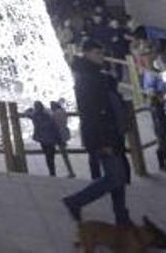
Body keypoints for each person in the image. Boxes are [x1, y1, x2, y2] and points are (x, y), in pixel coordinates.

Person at [62, 40, 131, 226]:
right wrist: (103, 142)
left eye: (102, 53)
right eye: (98, 53)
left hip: (111, 134)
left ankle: (122, 218)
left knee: (119, 178)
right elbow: (91, 113)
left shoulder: (96, 76)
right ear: (87, 54)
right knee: (114, 177)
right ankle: (76, 201)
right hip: (104, 137)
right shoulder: (87, 79)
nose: (102, 56)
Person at [26, 101, 62, 177]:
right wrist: (58, 139)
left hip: (43, 139)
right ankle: (52, 172)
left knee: (47, 156)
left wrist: (30, 110)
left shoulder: (35, 115)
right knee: (51, 156)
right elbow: (55, 127)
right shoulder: (48, 115)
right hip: (51, 139)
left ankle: (52, 172)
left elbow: (27, 113)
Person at [148, 92, 166, 173]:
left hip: (162, 128)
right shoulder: (156, 108)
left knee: (164, 146)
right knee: (162, 147)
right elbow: (160, 120)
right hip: (161, 129)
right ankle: (163, 165)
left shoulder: (157, 107)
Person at [50, 100, 76, 177]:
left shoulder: (55, 114)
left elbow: (55, 124)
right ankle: (70, 171)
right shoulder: (63, 111)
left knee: (63, 155)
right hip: (64, 134)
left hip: (58, 136)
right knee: (64, 154)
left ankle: (70, 172)